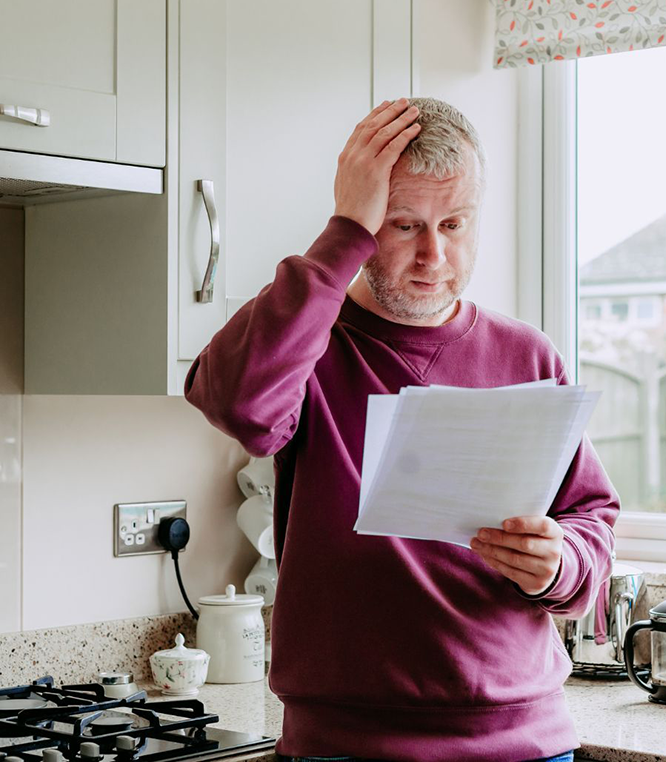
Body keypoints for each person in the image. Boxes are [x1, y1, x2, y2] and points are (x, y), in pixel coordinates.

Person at [184, 97, 620, 762]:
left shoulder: (528, 355)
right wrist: (342, 231)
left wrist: (560, 563)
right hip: (345, 746)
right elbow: (238, 402)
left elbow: (591, 517)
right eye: (403, 224)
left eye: (455, 223)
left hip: (525, 742)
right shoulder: (312, 344)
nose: (433, 255)